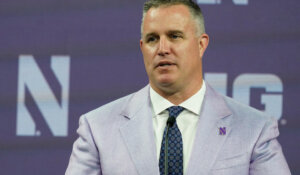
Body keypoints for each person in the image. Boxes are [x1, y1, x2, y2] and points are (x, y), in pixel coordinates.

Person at [65, 0, 291, 174]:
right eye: (153, 39)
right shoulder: (98, 129)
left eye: (174, 36)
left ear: (201, 44)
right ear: (142, 47)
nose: (162, 48)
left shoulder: (253, 130)